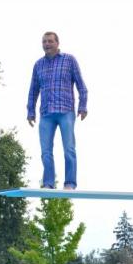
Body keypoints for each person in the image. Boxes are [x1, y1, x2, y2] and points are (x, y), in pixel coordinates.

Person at [26, 31, 88, 190]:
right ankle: (48, 183)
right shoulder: (38, 65)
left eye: (50, 41)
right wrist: (30, 111)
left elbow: (81, 86)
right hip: (46, 113)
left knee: (69, 149)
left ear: (57, 43)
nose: (47, 44)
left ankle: (70, 183)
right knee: (46, 151)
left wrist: (82, 106)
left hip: (66, 111)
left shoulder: (69, 60)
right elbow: (33, 90)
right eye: (44, 41)